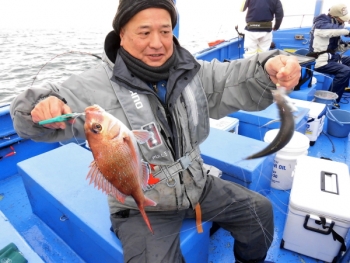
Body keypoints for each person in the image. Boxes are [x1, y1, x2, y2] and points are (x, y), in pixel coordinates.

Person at [10, 1, 301, 262]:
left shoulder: (192, 72)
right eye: (144, 32)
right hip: (139, 206)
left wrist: (268, 66)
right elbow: (41, 110)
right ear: (121, 35)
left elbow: (234, 77)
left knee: (259, 211)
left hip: (197, 185)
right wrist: (38, 107)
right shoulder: (93, 86)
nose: (157, 43)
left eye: (165, 31)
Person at [308, 3, 350, 108]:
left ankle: (343, 86)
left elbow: (337, 47)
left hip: (332, 58)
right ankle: (332, 100)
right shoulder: (321, 23)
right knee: (345, 71)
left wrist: (347, 44)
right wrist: (348, 32)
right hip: (320, 60)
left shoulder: (335, 25)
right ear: (334, 16)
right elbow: (325, 31)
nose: (344, 21)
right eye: (342, 19)